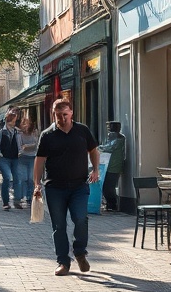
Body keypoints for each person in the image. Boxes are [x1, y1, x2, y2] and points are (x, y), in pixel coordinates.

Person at [33, 98, 99, 277]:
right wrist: (37, 184)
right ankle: (63, 261)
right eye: (58, 115)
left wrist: (95, 169)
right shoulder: (47, 135)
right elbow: (39, 160)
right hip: (55, 187)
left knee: (80, 219)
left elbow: (93, 150)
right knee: (59, 225)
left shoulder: (82, 130)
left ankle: (79, 252)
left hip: (79, 185)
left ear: (71, 113)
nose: (62, 118)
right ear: (53, 114)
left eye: (65, 114)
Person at [0, 110, 24, 210]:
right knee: (7, 177)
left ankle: (17, 201)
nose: (15, 123)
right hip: (4, 158)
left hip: (15, 158)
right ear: (9, 120)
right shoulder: (1, 132)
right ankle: (5, 202)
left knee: (17, 179)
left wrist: (20, 151)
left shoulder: (17, 132)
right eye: (14, 121)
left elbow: (20, 144)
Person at [100, 121, 127, 212]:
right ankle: (110, 204)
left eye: (110, 127)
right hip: (109, 165)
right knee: (106, 186)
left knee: (108, 187)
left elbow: (109, 147)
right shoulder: (114, 137)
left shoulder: (118, 138)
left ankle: (113, 204)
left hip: (114, 166)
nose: (109, 129)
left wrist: (98, 148)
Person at [17, 114, 39, 206]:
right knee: (23, 178)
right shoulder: (20, 134)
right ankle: (22, 196)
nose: (26, 126)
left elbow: (37, 144)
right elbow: (20, 147)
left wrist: (27, 146)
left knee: (30, 179)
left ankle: (29, 198)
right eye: (24, 124)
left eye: (27, 124)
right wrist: (29, 147)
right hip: (22, 158)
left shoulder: (35, 132)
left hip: (32, 157)